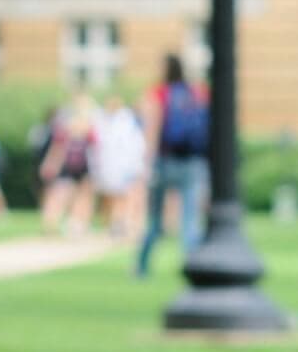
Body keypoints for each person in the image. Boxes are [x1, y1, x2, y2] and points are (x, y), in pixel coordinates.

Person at [136, 53, 211, 277]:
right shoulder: (197, 93)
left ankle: (141, 266)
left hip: (164, 162)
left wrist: (147, 163)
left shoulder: (159, 93)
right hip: (192, 162)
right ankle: (193, 266)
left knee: (155, 220)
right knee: (190, 219)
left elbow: (153, 129)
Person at [39, 96, 98, 236]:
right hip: (71, 164)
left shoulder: (79, 125)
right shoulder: (70, 125)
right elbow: (58, 148)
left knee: (79, 195)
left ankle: (76, 223)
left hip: (80, 165)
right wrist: (51, 164)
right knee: (62, 195)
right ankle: (54, 224)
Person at [92, 95, 148, 238]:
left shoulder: (124, 122)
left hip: (128, 165)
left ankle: (128, 224)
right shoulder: (120, 122)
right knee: (123, 196)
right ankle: (122, 224)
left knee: (129, 196)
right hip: (123, 165)